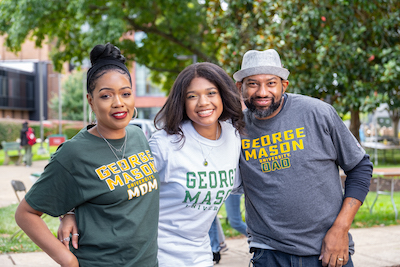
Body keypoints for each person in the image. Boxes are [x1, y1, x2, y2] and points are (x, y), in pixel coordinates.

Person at [58, 62, 245, 267]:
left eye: (211, 93)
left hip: (200, 255)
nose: (203, 102)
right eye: (192, 96)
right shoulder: (166, 143)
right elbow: (114, 181)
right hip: (158, 255)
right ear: (182, 101)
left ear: (223, 95)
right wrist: (70, 211)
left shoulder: (233, 136)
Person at [15, 43, 160, 267]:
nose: (118, 103)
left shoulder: (138, 136)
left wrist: (71, 211)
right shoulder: (74, 152)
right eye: (106, 96)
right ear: (90, 100)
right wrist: (68, 261)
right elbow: (25, 214)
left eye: (125, 93)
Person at [232, 49, 373, 267]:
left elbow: (360, 166)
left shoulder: (318, 113)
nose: (262, 92)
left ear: (283, 85)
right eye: (252, 84)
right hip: (269, 254)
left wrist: (341, 229)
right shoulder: (234, 129)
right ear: (240, 87)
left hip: (328, 250)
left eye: (271, 83)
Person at [209, 193, 247, 263]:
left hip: (232, 189)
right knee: (210, 215)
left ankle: (261, 239)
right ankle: (215, 250)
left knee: (236, 223)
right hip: (215, 187)